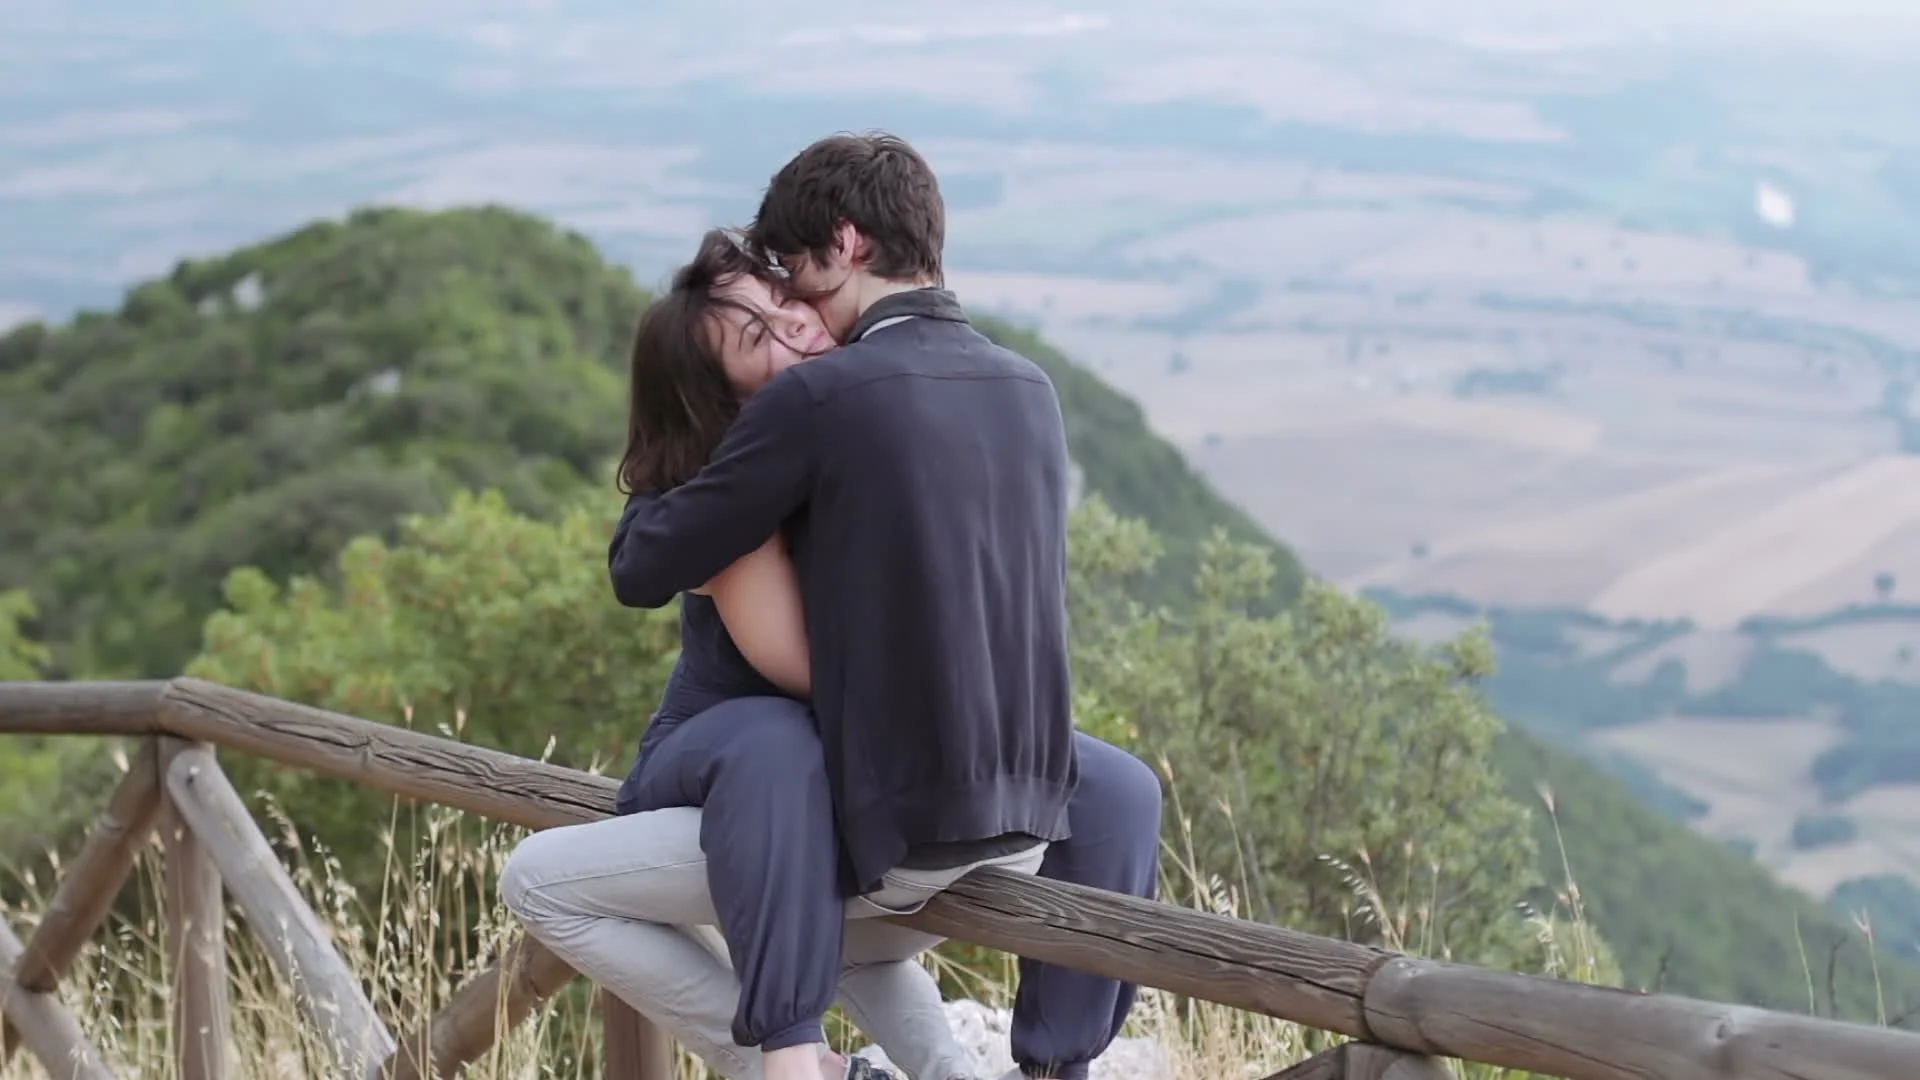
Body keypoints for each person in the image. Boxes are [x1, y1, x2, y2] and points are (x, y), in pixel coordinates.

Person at [502, 134, 1161, 1080]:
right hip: (919, 796)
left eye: (793, 291)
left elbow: (641, 566)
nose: (801, 320)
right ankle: (1022, 1065)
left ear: (846, 243)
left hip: (891, 806)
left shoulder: (824, 401)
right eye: (762, 327)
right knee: (797, 771)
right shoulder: (1028, 388)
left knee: (1088, 791)